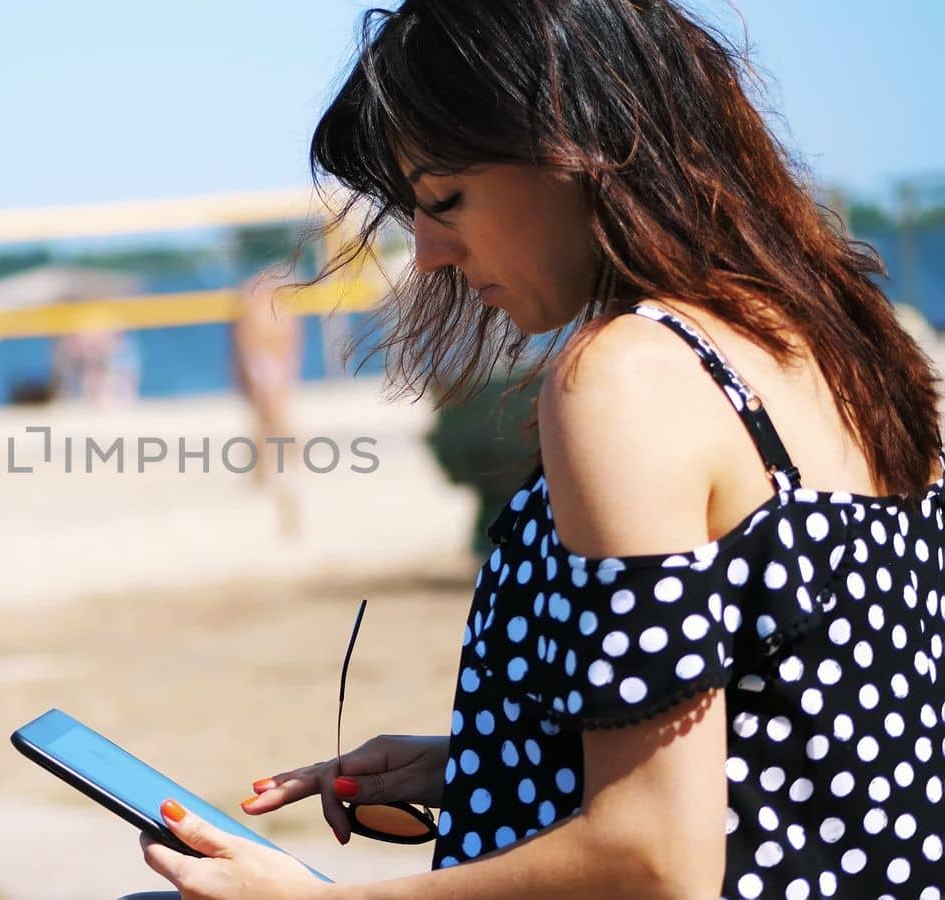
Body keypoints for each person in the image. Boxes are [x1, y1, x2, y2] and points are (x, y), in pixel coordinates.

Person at [130, 2, 945, 898]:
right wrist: (496, 756)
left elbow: (651, 859)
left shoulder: (628, 376)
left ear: (575, 145)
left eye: (444, 200)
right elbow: (807, 721)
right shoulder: (843, 341)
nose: (432, 252)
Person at [231, 265, 303, 536]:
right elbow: (248, 346)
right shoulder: (259, 308)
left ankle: (276, 472)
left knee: (273, 421)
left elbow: (287, 344)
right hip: (265, 365)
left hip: (269, 366)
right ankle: (271, 472)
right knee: (269, 422)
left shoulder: (271, 309)